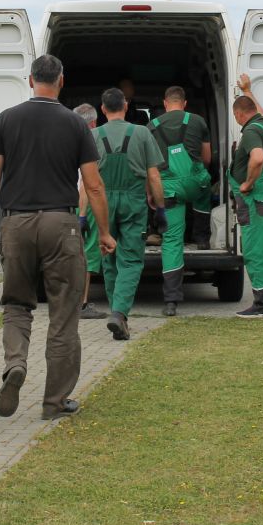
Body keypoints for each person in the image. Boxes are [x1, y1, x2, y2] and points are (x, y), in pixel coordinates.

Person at [0, 55, 116, 421]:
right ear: (61, 81)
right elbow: (94, 185)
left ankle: (15, 363)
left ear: (30, 80)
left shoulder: (6, 119)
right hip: (61, 224)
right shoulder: (76, 124)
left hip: (16, 223)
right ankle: (54, 401)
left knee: (16, 305)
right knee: (64, 313)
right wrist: (103, 231)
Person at [92, 87, 166, 340]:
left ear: (103, 109)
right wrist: (161, 208)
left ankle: (118, 314)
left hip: (103, 202)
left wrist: (82, 215)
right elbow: (154, 176)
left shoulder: (93, 135)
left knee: (108, 258)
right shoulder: (142, 133)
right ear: (125, 106)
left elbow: (87, 181)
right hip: (133, 202)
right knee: (131, 260)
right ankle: (119, 313)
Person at [148, 86, 212, 316]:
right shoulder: (198, 121)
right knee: (206, 186)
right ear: (184, 104)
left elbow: (149, 168)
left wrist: (151, 193)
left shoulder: (151, 126)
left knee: (172, 241)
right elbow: (207, 158)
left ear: (165, 104)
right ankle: (202, 237)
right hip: (194, 183)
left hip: (168, 189)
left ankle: (171, 300)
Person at [229, 74, 263, 318]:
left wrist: (247, 183)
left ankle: (262, 305)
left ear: (239, 114)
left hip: (256, 197)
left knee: (253, 251)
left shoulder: (251, 131)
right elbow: (259, 111)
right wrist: (248, 90)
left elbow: (258, 158)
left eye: (236, 116)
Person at [73, 102, 108, 319]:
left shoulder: (65, 141)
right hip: (83, 204)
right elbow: (86, 184)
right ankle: (82, 304)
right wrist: (83, 215)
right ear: (94, 123)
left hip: (65, 203)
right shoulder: (90, 144)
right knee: (87, 254)